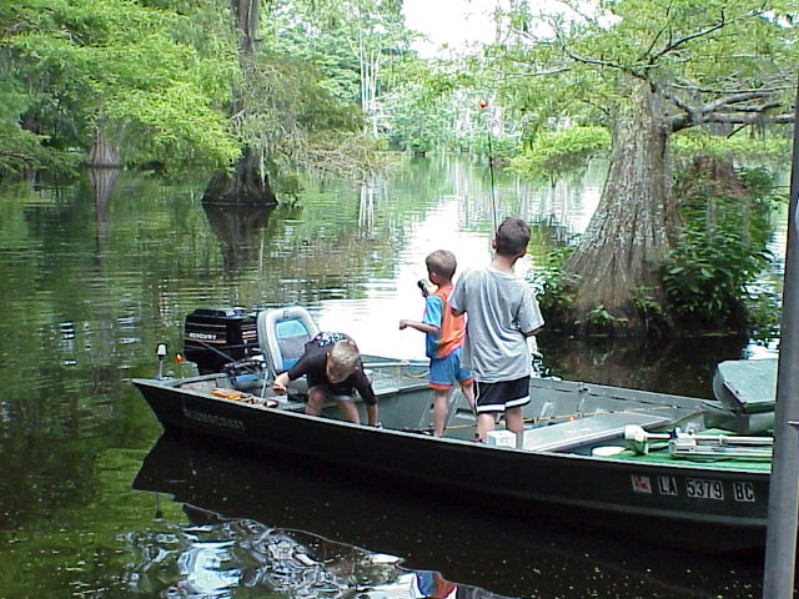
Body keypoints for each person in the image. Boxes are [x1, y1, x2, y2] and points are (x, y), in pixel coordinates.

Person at [450, 217, 544, 442]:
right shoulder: (522, 288)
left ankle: (484, 457)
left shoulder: (469, 275)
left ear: (494, 243)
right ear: (522, 252)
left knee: (487, 411)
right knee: (514, 410)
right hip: (517, 363)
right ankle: (517, 457)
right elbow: (533, 328)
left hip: (488, 363)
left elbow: (454, 310)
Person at [399, 250, 475, 436]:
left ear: (433, 275)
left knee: (441, 395)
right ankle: (484, 425)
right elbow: (449, 309)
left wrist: (409, 323)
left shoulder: (435, 299)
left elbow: (433, 327)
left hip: (444, 353)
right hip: (462, 349)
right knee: (468, 388)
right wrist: (430, 297)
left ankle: (438, 435)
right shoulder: (458, 291)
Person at [271, 331, 379, 426]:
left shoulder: (357, 374)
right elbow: (285, 377)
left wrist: (372, 426)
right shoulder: (313, 360)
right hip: (319, 373)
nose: (333, 377)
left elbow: (371, 402)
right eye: (331, 371)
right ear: (328, 357)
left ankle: (356, 432)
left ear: (353, 370)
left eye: (339, 375)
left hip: (345, 381)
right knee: (317, 396)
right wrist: (279, 385)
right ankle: (308, 429)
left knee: (345, 402)